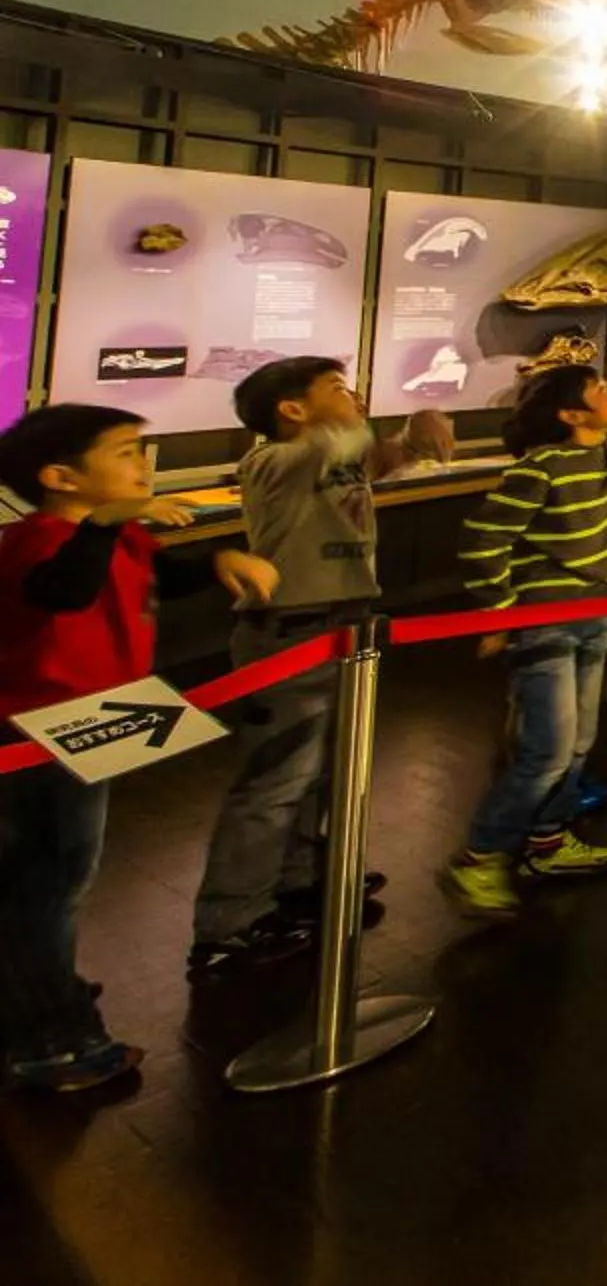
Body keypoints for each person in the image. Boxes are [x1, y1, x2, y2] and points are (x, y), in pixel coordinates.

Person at [1, 405, 271, 1093]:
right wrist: (104, 524)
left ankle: (44, 991)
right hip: (39, 736)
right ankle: (50, 1040)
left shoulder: (117, 534)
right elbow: (65, 590)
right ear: (60, 477)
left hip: (92, 722)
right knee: (48, 885)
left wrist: (218, 560)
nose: (142, 465)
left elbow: (162, 574)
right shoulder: (35, 539)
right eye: (124, 452)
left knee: (57, 879)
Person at [188, 359, 452, 980]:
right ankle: (228, 926)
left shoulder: (338, 456)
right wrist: (381, 427)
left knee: (324, 768)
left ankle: (300, 880)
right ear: (292, 409)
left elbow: (379, 457)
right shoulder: (273, 461)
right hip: (291, 630)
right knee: (276, 779)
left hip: (345, 623)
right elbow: (340, 444)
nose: (353, 395)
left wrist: (416, 438)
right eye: (336, 387)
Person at [441, 357, 607, 921]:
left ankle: (548, 842)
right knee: (546, 751)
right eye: (601, 388)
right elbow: (483, 539)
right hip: (547, 624)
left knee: (580, 741)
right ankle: (478, 857)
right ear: (571, 414)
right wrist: (501, 612)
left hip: (596, 617)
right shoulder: (542, 469)